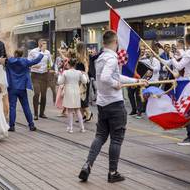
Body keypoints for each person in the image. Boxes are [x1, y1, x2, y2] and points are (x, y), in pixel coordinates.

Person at [79, 30, 147, 183]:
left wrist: (136, 81)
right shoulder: (112, 59)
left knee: (100, 136)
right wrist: (116, 84)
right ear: (115, 42)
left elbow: (115, 76)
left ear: (103, 43)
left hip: (102, 104)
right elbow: (107, 78)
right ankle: (112, 172)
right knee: (116, 139)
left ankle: (87, 165)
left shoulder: (101, 58)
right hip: (115, 105)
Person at [5, 49, 43, 132]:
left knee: (12, 107)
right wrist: (41, 53)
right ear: (21, 54)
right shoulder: (25, 61)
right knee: (26, 107)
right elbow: (36, 60)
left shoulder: (9, 61)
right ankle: (31, 125)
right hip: (22, 88)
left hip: (12, 87)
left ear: (15, 53)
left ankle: (12, 126)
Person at [58, 58, 88, 133]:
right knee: (77, 110)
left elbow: (60, 82)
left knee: (70, 110)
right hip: (76, 90)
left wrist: (60, 75)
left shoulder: (65, 72)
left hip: (68, 91)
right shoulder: (79, 72)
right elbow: (85, 81)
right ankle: (82, 128)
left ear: (68, 64)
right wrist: (83, 74)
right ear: (75, 65)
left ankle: (70, 128)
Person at [28, 39, 53, 120]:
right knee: (37, 93)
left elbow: (50, 63)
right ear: (39, 44)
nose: (45, 45)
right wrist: (34, 66)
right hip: (35, 75)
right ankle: (35, 114)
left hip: (44, 75)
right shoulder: (32, 52)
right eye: (43, 43)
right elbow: (28, 64)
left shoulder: (48, 52)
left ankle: (42, 113)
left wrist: (49, 67)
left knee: (44, 95)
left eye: (46, 43)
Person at [75, 42, 93, 122]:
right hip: (79, 79)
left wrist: (84, 73)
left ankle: (88, 113)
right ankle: (83, 115)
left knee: (82, 97)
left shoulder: (83, 57)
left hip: (83, 79)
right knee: (79, 98)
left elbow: (86, 67)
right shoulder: (79, 56)